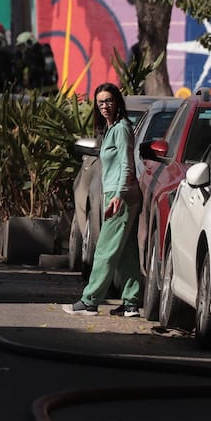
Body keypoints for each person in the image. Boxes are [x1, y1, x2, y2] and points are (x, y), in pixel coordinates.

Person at [63, 84, 143, 316]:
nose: (105, 106)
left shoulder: (121, 129)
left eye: (109, 101)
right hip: (118, 194)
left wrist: (118, 195)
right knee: (126, 253)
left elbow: (128, 164)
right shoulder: (111, 129)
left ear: (117, 102)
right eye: (100, 102)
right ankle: (131, 303)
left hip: (122, 195)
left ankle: (90, 301)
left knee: (104, 251)